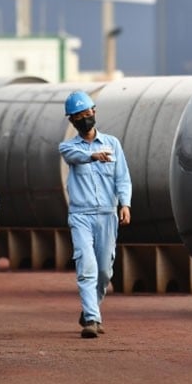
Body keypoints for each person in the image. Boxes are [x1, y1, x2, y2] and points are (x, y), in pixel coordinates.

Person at [58, 90, 132, 339]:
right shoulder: (68, 147)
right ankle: (91, 318)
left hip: (107, 215)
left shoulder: (113, 144)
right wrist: (92, 156)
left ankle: (91, 306)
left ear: (94, 112)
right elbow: (74, 157)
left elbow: (122, 177)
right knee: (87, 266)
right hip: (81, 215)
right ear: (72, 121)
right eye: (79, 116)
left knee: (104, 271)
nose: (85, 119)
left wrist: (125, 204)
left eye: (87, 113)